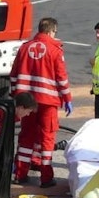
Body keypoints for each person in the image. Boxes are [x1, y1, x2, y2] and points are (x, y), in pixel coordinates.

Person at [10, 17, 72, 187]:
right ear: (52, 31)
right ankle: (46, 178)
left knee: (26, 137)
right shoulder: (55, 50)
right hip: (47, 102)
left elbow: (13, 75)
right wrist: (67, 98)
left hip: (27, 103)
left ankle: (20, 174)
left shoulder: (24, 48)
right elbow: (61, 78)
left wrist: (15, 96)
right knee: (47, 139)